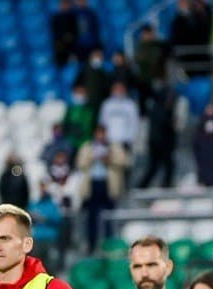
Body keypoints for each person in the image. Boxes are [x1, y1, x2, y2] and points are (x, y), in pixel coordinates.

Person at [77, 124, 128, 253]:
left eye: (102, 133)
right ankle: (91, 244)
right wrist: (92, 157)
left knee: (109, 217)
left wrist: (110, 159)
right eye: (98, 133)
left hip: (107, 185)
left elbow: (124, 161)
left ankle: (109, 245)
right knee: (92, 217)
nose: (100, 135)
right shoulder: (88, 146)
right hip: (93, 184)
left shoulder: (113, 146)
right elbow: (80, 163)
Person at [139, 80, 180, 189]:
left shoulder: (163, 109)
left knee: (165, 166)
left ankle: (162, 185)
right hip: (159, 143)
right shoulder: (160, 109)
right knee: (158, 166)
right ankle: (143, 187)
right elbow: (165, 127)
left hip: (162, 143)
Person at [170, 0, 213, 79]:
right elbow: (177, 36)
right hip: (187, 57)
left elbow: (206, 30)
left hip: (202, 55)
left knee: (203, 78)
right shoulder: (179, 18)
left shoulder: (202, 15)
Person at [98, 82, 140, 151]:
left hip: (124, 141)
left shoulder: (131, 105)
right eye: (116, 89)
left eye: (121, 89)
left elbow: (134, 123)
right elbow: (102, 121)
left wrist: (130, 139)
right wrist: (102, 138)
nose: (118, 91)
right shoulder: (107, 104)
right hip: (109, 141)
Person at [50, 0, 78, 69]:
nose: (65, 6)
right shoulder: (56, 18)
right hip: (61, 46)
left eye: (66, 4)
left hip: (72, 45)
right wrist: (63, 38)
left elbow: (76, 31)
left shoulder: (73, 17)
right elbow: (55, 32)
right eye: (63, 4)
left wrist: (70, 37)